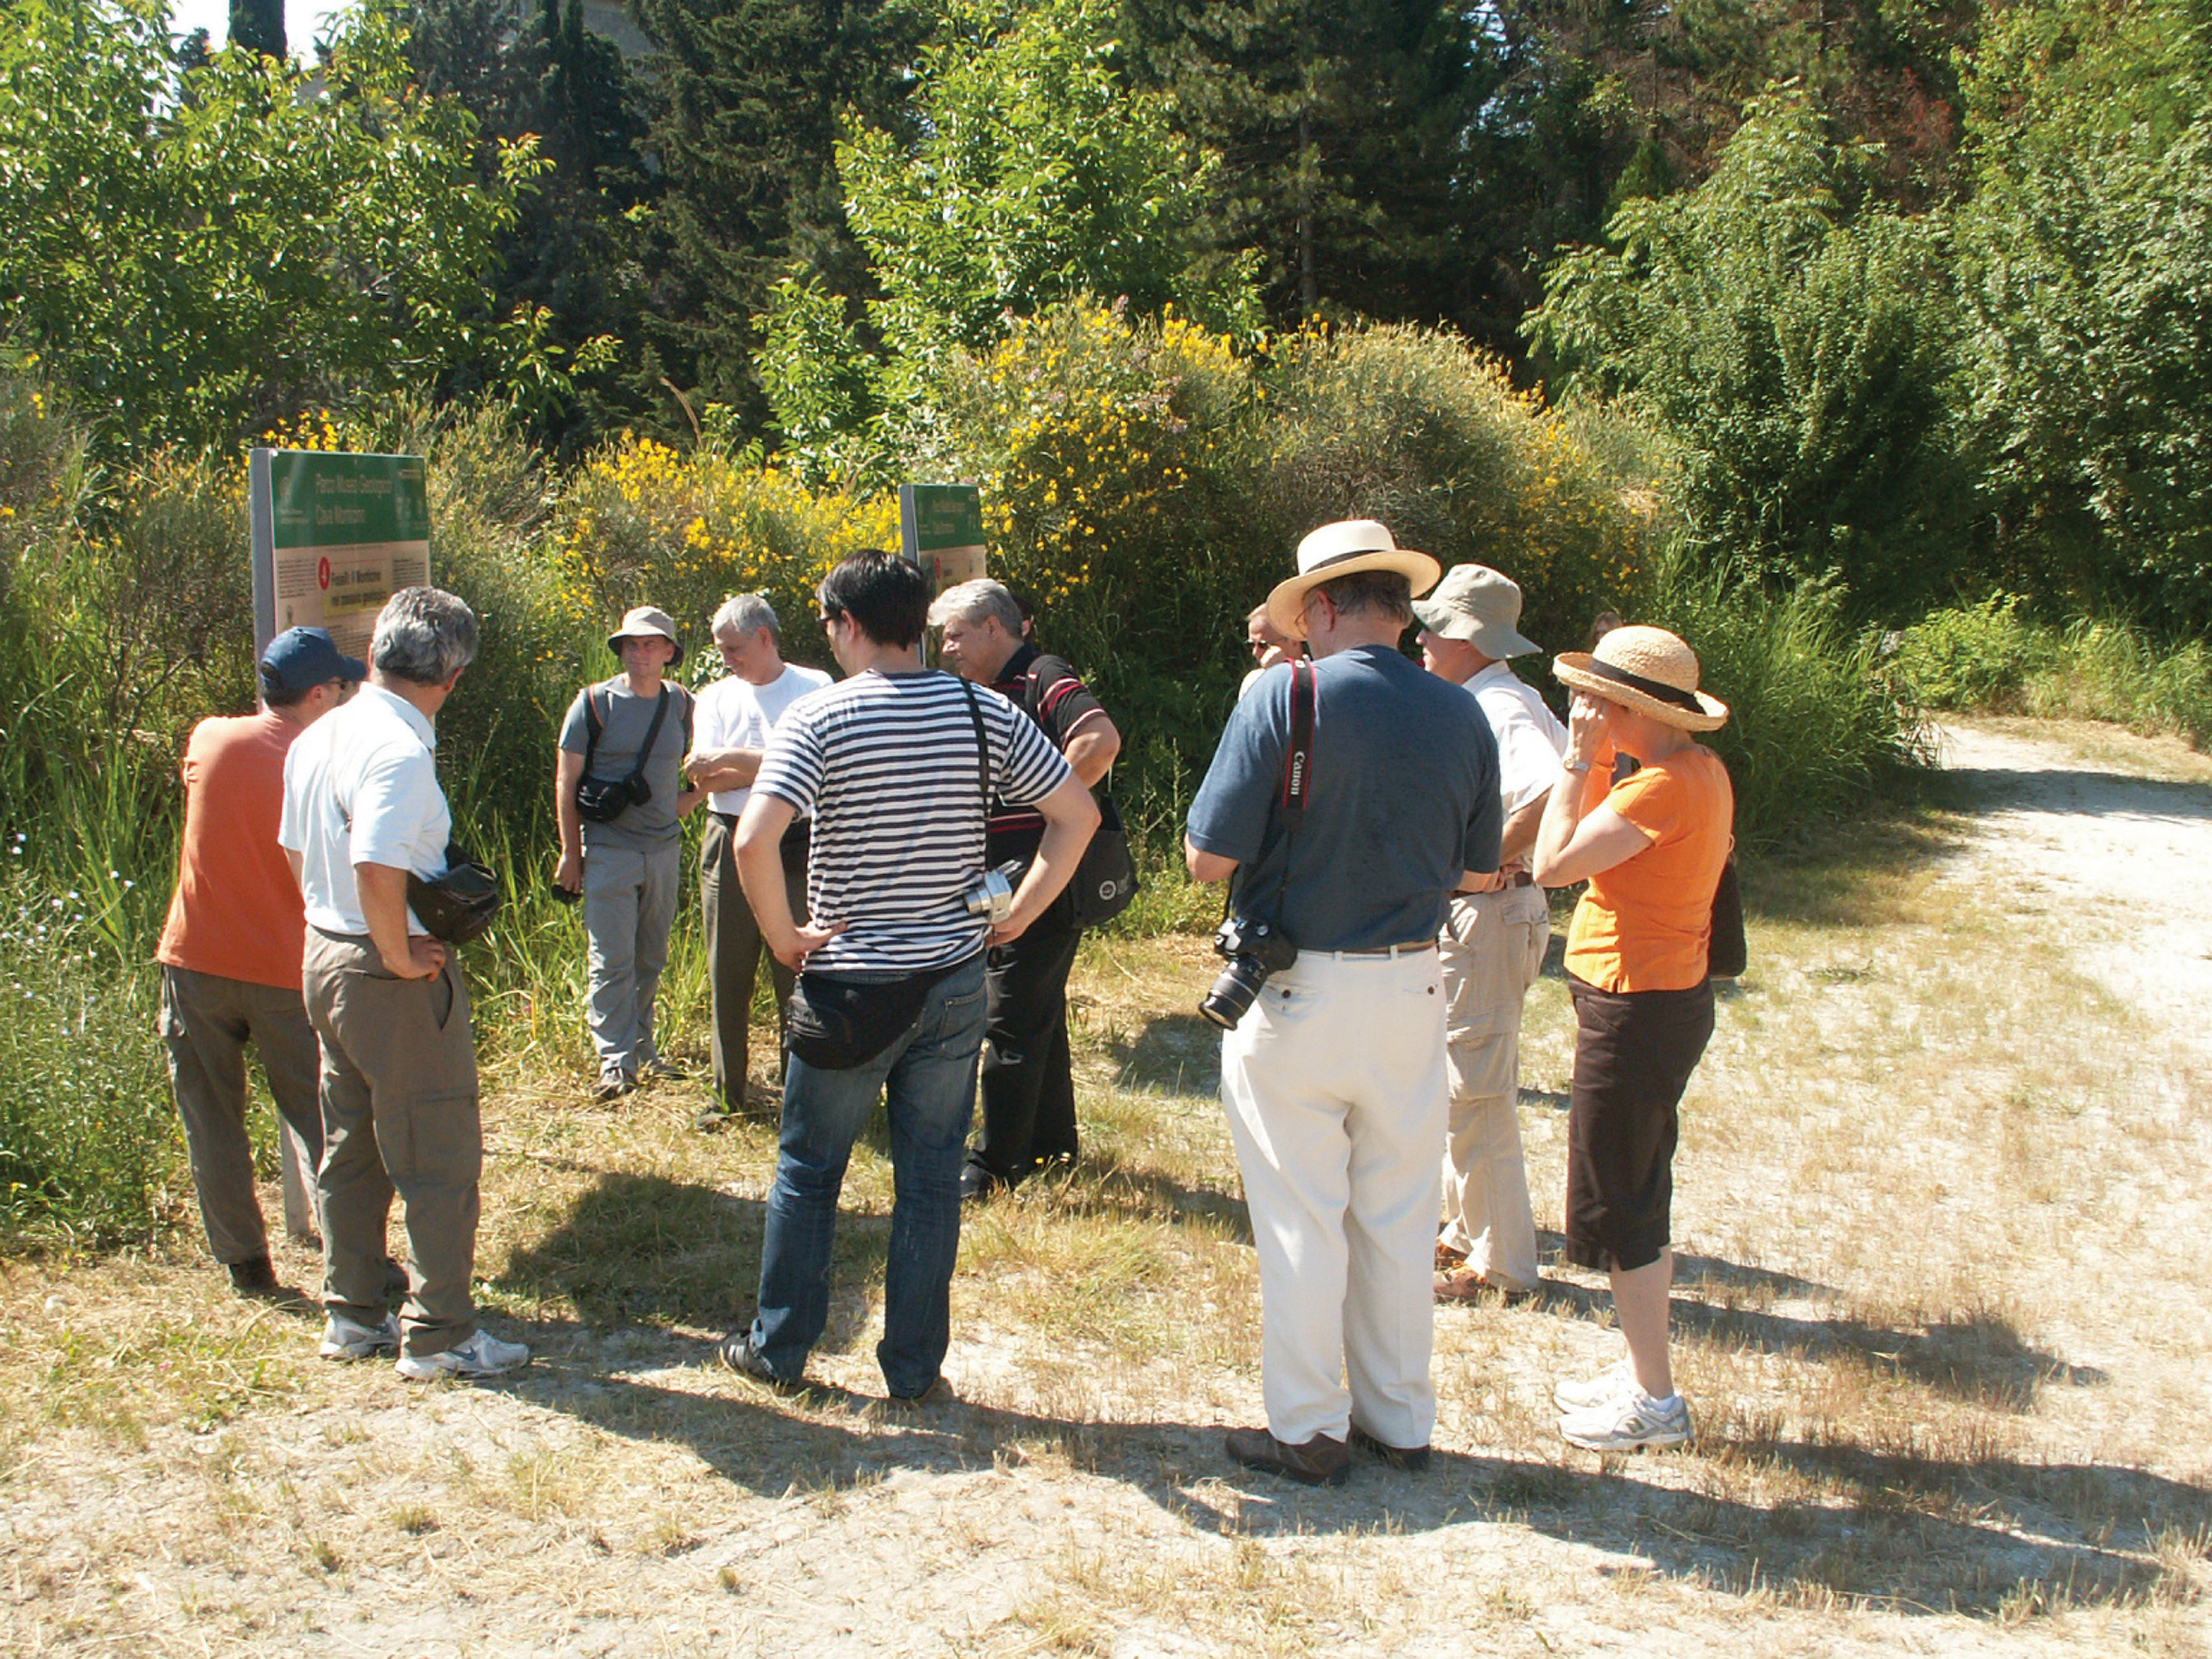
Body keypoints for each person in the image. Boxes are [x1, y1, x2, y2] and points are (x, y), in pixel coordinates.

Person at [718, 551, 1099, 1400]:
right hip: (954, 979)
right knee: (929, 1180)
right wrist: (1022, 913)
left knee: (810, 1171)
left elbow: (751, 841)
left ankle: (780, 1353)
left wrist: (785, 940)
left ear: (846, 624)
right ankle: (916, 1370)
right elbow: (1076, 813)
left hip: (849, 985)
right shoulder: (981, 708)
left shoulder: (818, 719)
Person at [1186, 520, 1500, 1486]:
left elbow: (1207, 859)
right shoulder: (1462, 712)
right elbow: (1481, 869)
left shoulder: (1288, 695)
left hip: (1297, 990)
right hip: (1412, 980)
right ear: (1400, 610)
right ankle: (1400, 1419)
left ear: (1321, 607)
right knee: (1398, 1216)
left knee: (1301, 1217)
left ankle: (1310, 1427)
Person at [279, 586, 527, 1380]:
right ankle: (440, 1333)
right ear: (452, 676)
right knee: (437, 1152)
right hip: (384, 970)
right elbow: (377, 859)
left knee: (351, 1145)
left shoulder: (324, 731)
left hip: (324, 950)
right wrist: (392, 951)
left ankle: (353, 1312)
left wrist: (334, 921)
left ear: (373, 651)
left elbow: (294, 846)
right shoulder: (398, 749)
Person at [1532, 624, 1733, 1452]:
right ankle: (1643, 1370)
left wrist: (1577, 762)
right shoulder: (1693, 770)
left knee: (1622, 1201)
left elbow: (1551, 866)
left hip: (1636, 1004)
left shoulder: (1655, 791)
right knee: (1639, 1186)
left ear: (1620, 707)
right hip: (1661, 995)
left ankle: (1657, 1400)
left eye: (1589, 699)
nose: (1578, 708)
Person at [157, 626, 365, 1294]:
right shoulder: (326, 760)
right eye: (339, 685)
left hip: (196, 962)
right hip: (284, 968)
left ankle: (244, 1262)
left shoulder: (210, 737)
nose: (345, 695)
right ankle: (355, 1255)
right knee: (321, 1117)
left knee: (211, 1119)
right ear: (315, 693)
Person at [928, 578, 1123, 1198]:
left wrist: (1049, 806)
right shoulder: (983, 690)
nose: (947, 648)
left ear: (994, 627)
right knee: (1036, 1013)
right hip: (1011, 877)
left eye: (955, 634)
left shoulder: (1041, 674)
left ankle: (994, 1167)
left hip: (1038, 878)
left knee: (1006, 1017)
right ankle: (1052, 1146)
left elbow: (1099, 741)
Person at [1411, 565, 1567, 1303]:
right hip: (1496, 911)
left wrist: (1483, 865)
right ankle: (1465, 1232)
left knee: (1476, 1090)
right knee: (1457, 1077)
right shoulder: (1506, 695)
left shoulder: (1497, 704)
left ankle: (1501, 1262)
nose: (1420, 638)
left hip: (1491, 911)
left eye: (1434, 627)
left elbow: (1547, 788)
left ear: (1468, 639)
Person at [683, 594, 832, 1117]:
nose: (727, 657)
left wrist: (728, 758)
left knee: (797, 964)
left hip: (799, 839)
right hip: (728, 833)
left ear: (765, 637)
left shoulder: (814, 687)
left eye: (734, 647)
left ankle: (801, 1090)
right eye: (722, 648)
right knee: (728, 965)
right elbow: (703, 777)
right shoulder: (713, 697)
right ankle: (727, 1094)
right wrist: (768, 761)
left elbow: (819, 762)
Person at [555, 606, 703, 1100]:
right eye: (630, 645)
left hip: (663, 849)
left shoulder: (683, 704)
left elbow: (701, 767)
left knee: (651, 957)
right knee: (610, 959)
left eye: (649, 645)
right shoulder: (595, 703)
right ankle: (615, 1063)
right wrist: (570, 853)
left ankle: (643, 1048)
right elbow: (566, 779)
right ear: (620, 650)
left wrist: (690, 800)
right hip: (608, 850)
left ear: (668, 652)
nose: (639, 654)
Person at [1238, 603, 1294, 699]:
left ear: (1292, 640)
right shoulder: (1253, 682)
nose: (1255, 653)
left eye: (1263, 645)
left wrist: (1282, 674)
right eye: (1251, 645)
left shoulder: (1317, 673)